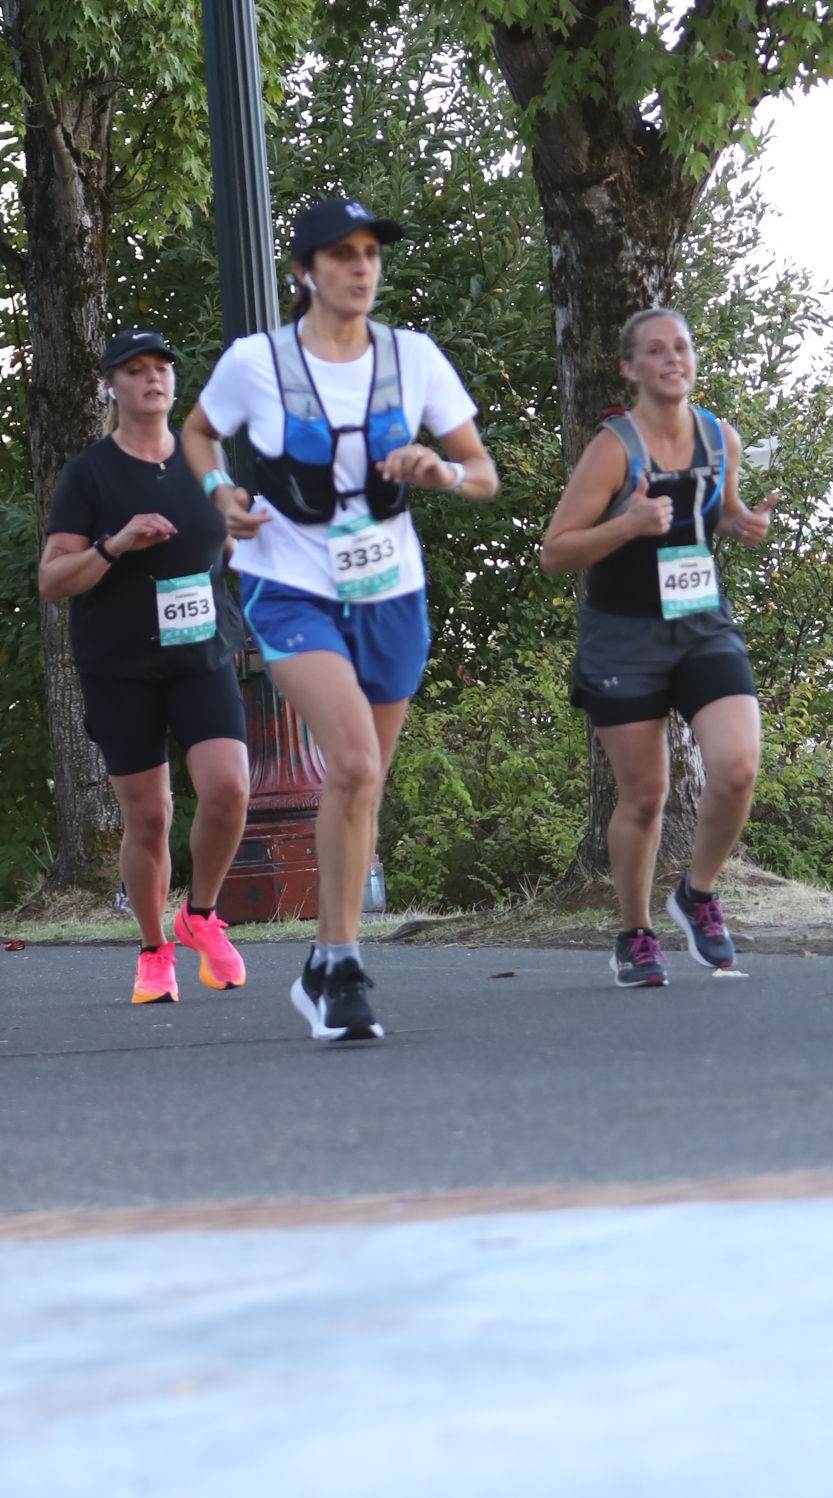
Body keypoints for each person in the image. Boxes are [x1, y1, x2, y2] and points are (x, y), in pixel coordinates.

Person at [180, 196, 497, 1045]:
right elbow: (199, 434)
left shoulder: (412, 357)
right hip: (289, 586)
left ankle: (323, 958)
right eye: (342, 254)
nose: (361, 268)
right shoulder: (257, 363)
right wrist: (220, 493)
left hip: (390, 592)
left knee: (363, 783)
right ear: (304, 272)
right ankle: (346, 968)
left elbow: (482, 472)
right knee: (351, 762)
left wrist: (439, 471)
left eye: (370, 253)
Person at [539, 306, 776, 986]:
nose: (673, 358)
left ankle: (697, 894)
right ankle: (635, 933)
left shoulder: (719, 438)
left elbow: (717, 513)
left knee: (737, 766)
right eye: (655, 350)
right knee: (645, 795)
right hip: (623, 635)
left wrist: (740, 522)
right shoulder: (613, 449)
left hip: (701, 622)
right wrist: (629, 523)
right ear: (630, 368)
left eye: (682, 346)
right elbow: (556, 552)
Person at [37, 324, 253, 1004]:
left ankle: (200, 915)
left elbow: (231, 544)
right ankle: (155, 950)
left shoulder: (205, 459)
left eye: (161, 366)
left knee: (229, 787)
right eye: (134, 369)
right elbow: (52, 580)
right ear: (111, 385)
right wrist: (115, 544)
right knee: (151, 816)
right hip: (120, 663)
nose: (152, 378)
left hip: (200, 651)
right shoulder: (89, 474)